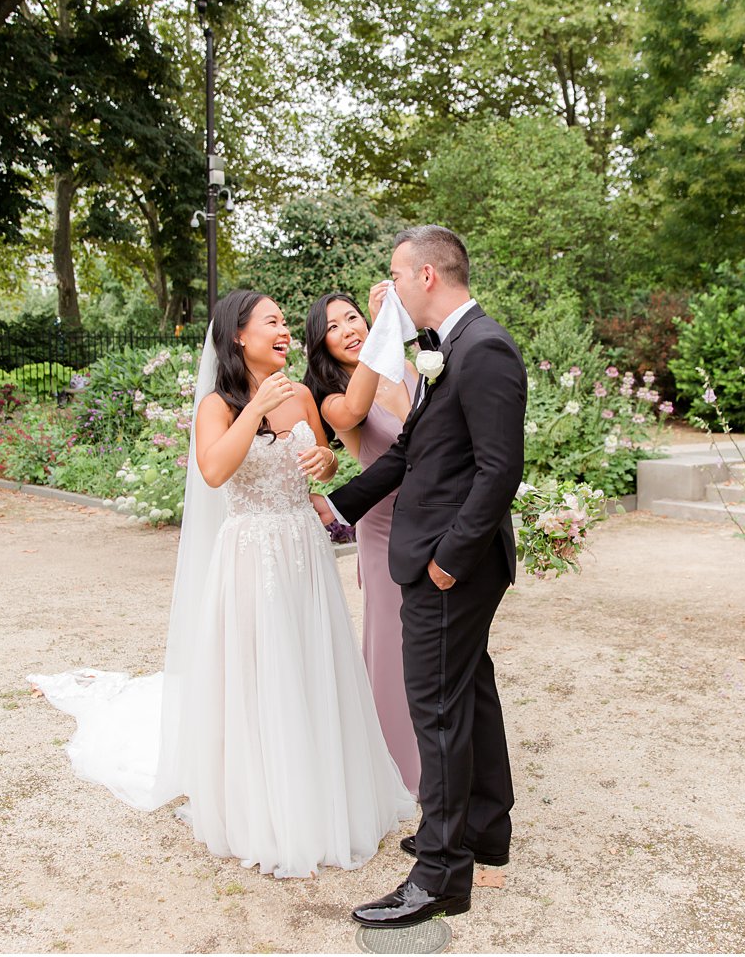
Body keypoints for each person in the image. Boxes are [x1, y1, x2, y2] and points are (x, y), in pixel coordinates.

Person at [29, 289, 413, 880]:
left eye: (286, 322)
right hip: (251, 555)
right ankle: (268, 807)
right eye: (272, 322)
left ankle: (325, 789)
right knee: (264, 674)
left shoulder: (306, 394)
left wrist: (326, 468)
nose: (285, 330)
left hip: (304, 554)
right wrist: (256, 408)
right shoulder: (218, 403)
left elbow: (326, 460)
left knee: (312, 668)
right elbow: (213, 472)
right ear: (240, 335)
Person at [313, 225, 527, 929]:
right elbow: (410, 452)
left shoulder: (484, 348)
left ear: (426, 277)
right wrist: (336, 507)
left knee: (436, 709)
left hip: (451, 565)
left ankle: (439, 872)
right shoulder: (442, 352)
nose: (390, 291)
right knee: (472, 690)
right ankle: (483, 830)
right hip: (440, 557)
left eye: (396, 277)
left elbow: (500, 471)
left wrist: (446, 561)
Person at [303, 290, 423, 795]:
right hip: (384, 526)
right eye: (334, 327)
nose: (349, 329)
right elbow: (357, 412)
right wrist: (380, 336)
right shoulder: (331, 399)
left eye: (353, 317)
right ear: (322, 344)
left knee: (430, 646)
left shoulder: (413, 370)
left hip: (433, 521)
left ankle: (436, 750)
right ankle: (395, 767)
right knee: (390, 645)